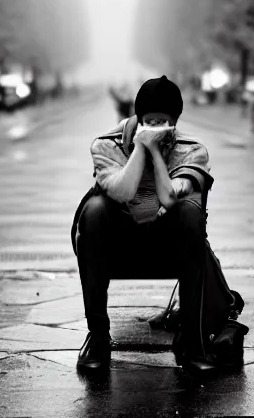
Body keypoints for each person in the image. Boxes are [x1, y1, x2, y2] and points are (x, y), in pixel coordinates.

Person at [73, 76, 216, 373]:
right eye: (148, 121)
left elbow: (168, 197)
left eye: (162, 121)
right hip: (118, 237)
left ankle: (193, 341)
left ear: (175, 122)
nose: (154, 128)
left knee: (190, 211)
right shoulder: (107, 145)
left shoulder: (192, 150)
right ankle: (98, 338)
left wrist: (155, 152)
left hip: (169, 238)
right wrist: (140, 147)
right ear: (138, 118)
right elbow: (123, 192)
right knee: (94, 210)